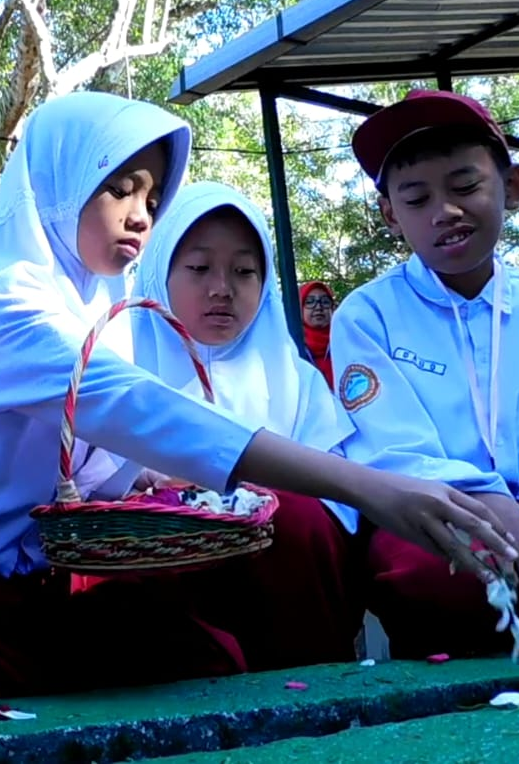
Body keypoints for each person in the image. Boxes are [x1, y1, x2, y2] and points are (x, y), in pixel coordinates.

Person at [0, 91, 517, 708]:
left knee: (205, 663)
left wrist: (145, 476)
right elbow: (140, 410)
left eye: (152, 195)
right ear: (58, 183)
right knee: (28, 727)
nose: (139, 214)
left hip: (34, 578)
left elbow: (96, 455)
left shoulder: (92, 302)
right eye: (118, 187)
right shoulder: (9, 305)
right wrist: (373, 488)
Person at [331, 89, 519, 660]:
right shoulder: (368, 314)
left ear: (512, 186)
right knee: (427, 580)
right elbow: (392, 449)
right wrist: (495, 513)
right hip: (437, 527)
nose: (444, 211)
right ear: (391, 215)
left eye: (465, 186)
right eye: (417, 198)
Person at [129, 180, 364, 669]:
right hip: (159, 583)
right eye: (198, 268)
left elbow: (336, 503)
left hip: (278, 592)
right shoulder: (122, 365)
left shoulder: (295, 381)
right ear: (158, 272)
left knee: (297, 516)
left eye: (244, 271)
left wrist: (257, 498)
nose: (222, 288)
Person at [298, 281, 337, 389]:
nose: (318, 307)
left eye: (325, 301)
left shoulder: (344, 340)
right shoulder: (292, 345)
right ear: (300, 308)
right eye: (310, 302)